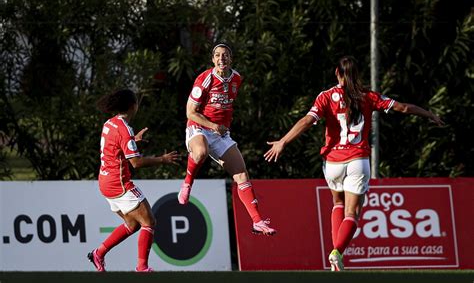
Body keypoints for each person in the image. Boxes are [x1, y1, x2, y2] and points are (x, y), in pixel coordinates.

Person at [264, 56, 444, 271]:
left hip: (333, 163)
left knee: (337, 204)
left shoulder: (326, 97)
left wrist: (283, 141)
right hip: (358, 160)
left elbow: (307, 120)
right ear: (356, 74)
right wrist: (429, 114)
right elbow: (403, 108)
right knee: (352, 213)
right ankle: (337, 252)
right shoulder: (367, 96)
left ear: (336, 73)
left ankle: (335, 256)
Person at [177, 42, 276, 235]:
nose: (221, 58)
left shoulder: (237, 78)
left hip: (220, 133)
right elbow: (190, 112)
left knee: (241, 175)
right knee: (201, 152)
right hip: (199, 126)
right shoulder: (205, 79)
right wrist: (213, 125)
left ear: (231, 58)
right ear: (212, 59)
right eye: (217, 55)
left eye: (225, 55)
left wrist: (220, 127)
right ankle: (187, 183)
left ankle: (257, 221)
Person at [88, 88, 179, 272]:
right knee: (149, 222)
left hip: (105, 182)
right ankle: (142, 268)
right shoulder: (124, 129)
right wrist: (163, 159)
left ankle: (98, 253)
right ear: (133, 106)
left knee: (132, 224)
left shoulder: (110, 123)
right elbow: (136, 163)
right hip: (119, 184)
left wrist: (132, 141)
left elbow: (115, 147)